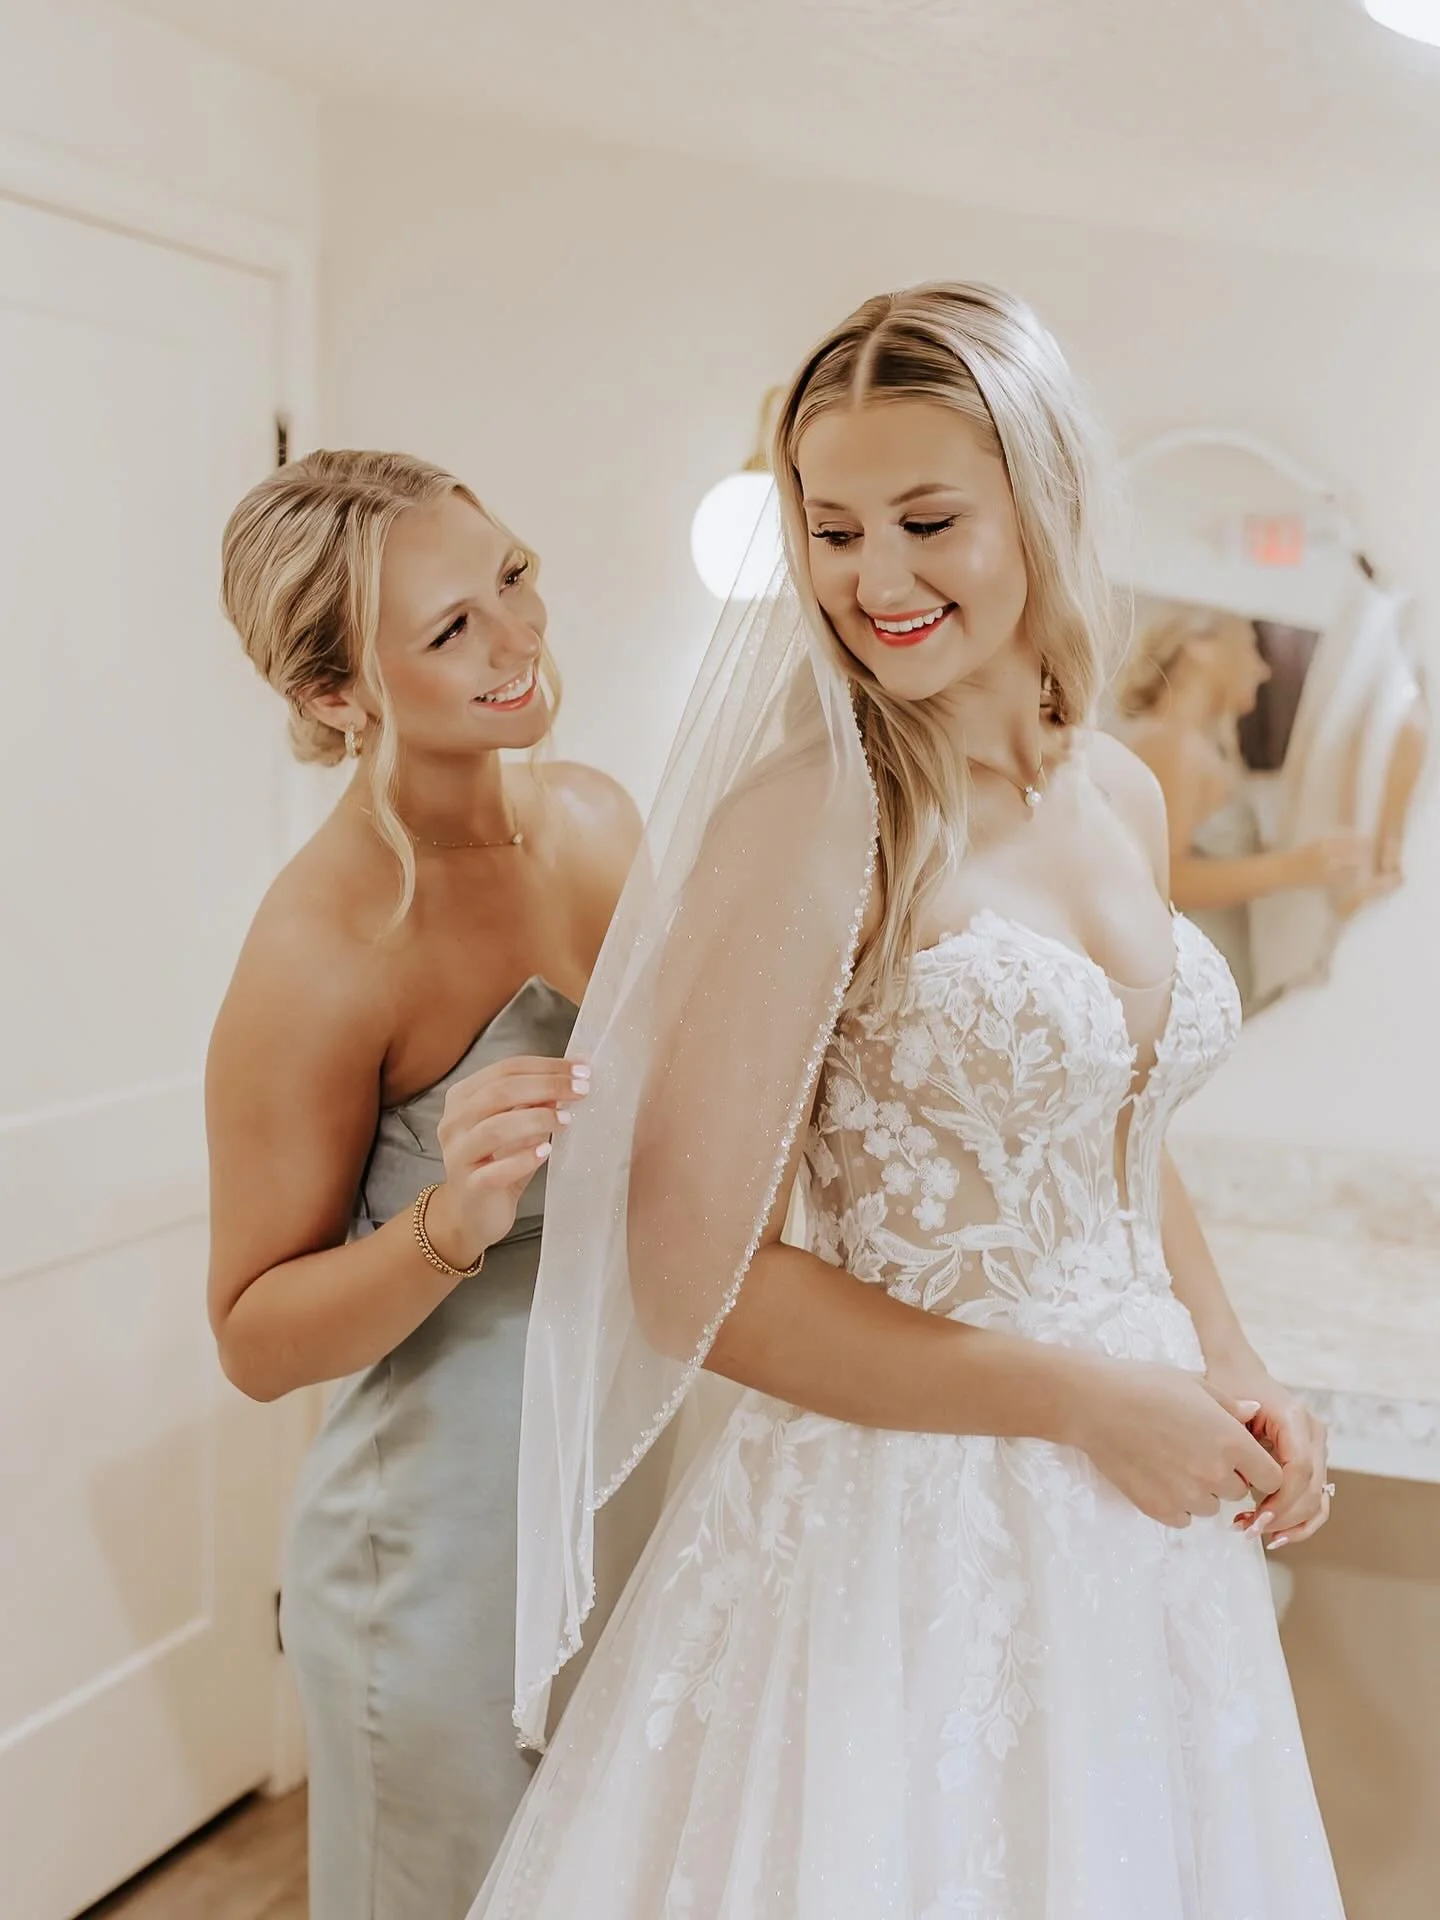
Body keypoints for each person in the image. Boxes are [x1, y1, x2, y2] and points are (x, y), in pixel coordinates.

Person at [470, 286, 1343, 1918]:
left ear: (1048, 503)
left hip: (1144, 1521)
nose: (876, 581)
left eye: (929, 519)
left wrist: (1227, 1367)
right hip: (903, 1531)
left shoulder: (1126, 788)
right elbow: (693, 1287)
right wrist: (1081, 1401)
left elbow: (1116, 1131)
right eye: (834, 526)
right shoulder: (809, 826)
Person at [204, 451, 640, 1918]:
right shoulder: (325, 944)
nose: (518, 638)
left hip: (623, 1491)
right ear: (339, 697)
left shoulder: (594, 819)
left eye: (510, 576)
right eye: (452, 630)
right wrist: (448, 1224)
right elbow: (254, 1336)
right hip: (436, 1569)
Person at [1117, 606, 1368, 1010]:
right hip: (1187, 989)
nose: (1263, 670)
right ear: (1200, 647)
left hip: (1212, 973)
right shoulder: (1173, 744)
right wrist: (1298, 867)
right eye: (1251, 646)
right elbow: (1167, 881)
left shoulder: (1199, 745)